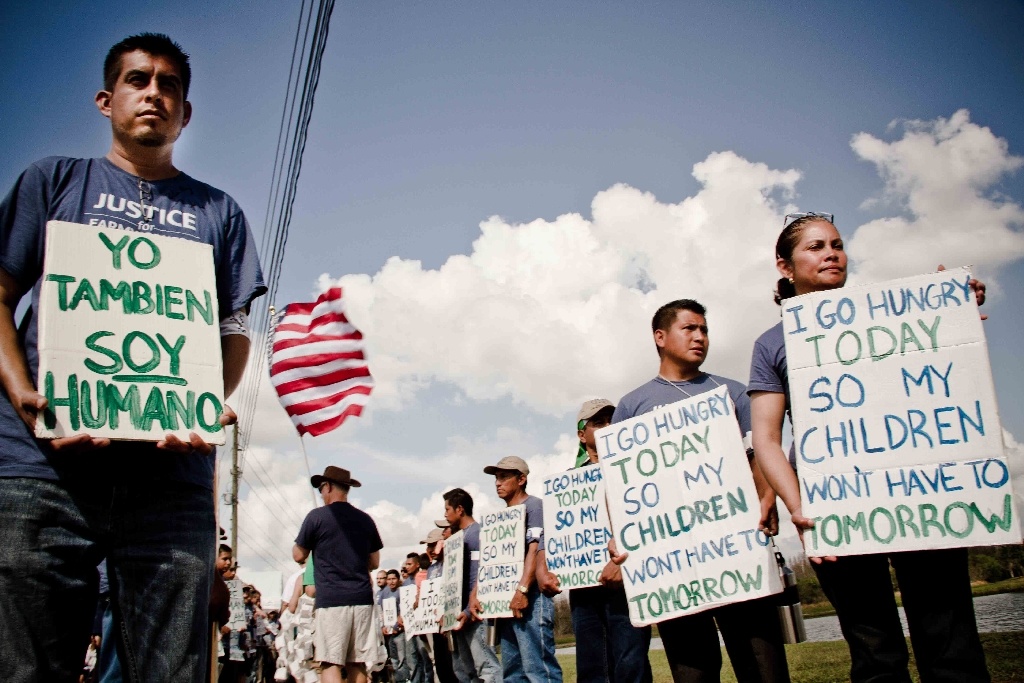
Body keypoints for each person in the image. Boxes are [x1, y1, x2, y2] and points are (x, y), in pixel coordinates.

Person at [0, 33, 265, 682]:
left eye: (169, 84)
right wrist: (19, 389)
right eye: (138, 80)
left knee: (170, 670)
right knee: (27, 666)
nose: (154, 93)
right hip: (43, 470)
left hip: (168, 482)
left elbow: (233, 332)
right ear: (105, 99)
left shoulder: (219, 213)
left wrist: (202, 404)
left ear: (186, 111)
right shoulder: (53, 181)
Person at [748, 212, 990, 683]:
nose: (832, 253)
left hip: (922, 496)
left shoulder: (895, 315)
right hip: (835, 509)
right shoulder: (771, 344)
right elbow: (767, 440)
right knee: (874, 651)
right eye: (815, 247)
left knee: (951, 643)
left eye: (836, 244)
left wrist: (951, 309)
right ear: (785, 266)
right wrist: (800, 510)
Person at [611, 299, 790, 683]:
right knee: (693, 670)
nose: (700, 337)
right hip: (673, 564)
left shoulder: (735, 392)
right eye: (689, 328)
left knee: (763, 664)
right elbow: (621, 486)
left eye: (704, 329)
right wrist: (619, 536)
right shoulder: (631, 406)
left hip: (739, 550)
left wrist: (768, 498)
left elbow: (759, 450)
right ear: (660, 337)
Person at [563, 399, 652, 683]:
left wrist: (621, 560)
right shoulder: (567, 482)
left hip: (627, 580)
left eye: (611, 421)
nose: (607, 427)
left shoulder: (635, 467)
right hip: (584, 589)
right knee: (592, 667)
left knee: (631, 662)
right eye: (598, 423)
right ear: (581, 435)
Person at [293, 466, 385, 683]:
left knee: (330, 662)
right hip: (362, 597)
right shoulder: (365, 519)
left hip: (332, 600)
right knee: (358, 662)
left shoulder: (317, 517)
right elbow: (374, 562)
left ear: (327, 487)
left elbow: (298, 555)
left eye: (321, 489)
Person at [479, 456, 562, 683]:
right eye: (496, 478)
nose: (498, 482)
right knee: (513, 671)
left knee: (538, 667)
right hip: (505, 601)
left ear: (522, 479)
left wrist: (523, 589)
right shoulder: (500, 518)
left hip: (531, 597)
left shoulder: (534, 506)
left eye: (504, 477)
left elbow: (535, 550)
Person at [442, 487, 501, 683]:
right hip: (459, 617)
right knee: (465, 671)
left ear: (460, 509)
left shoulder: (477, 533)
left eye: (447, 510)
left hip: (475, 614)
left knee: (486, 667)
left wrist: (468, 610)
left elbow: (482, 572)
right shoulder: (457, 539)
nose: (445, 515)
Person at [422, 529, 458, 683]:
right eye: (427, 546)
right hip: (435, 626)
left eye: (433, 545)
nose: (430, 550)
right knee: (441, 665)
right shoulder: (431, 569)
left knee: (454, 666)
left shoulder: (451, 563)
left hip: (450, 622)